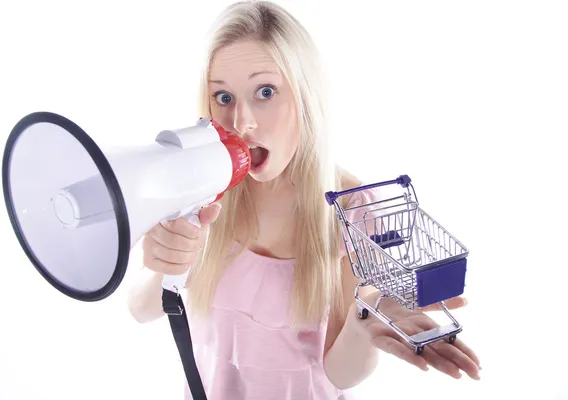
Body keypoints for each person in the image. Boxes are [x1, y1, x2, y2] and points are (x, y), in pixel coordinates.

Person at [127, 1, 481, 398]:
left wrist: (364, 323)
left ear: (304, 96)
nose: (241, 122)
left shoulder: (353, 210)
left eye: (265, 92)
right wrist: (164, 265)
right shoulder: (203, 193)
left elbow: (338, 375)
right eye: (223, 97)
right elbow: (142, 309)